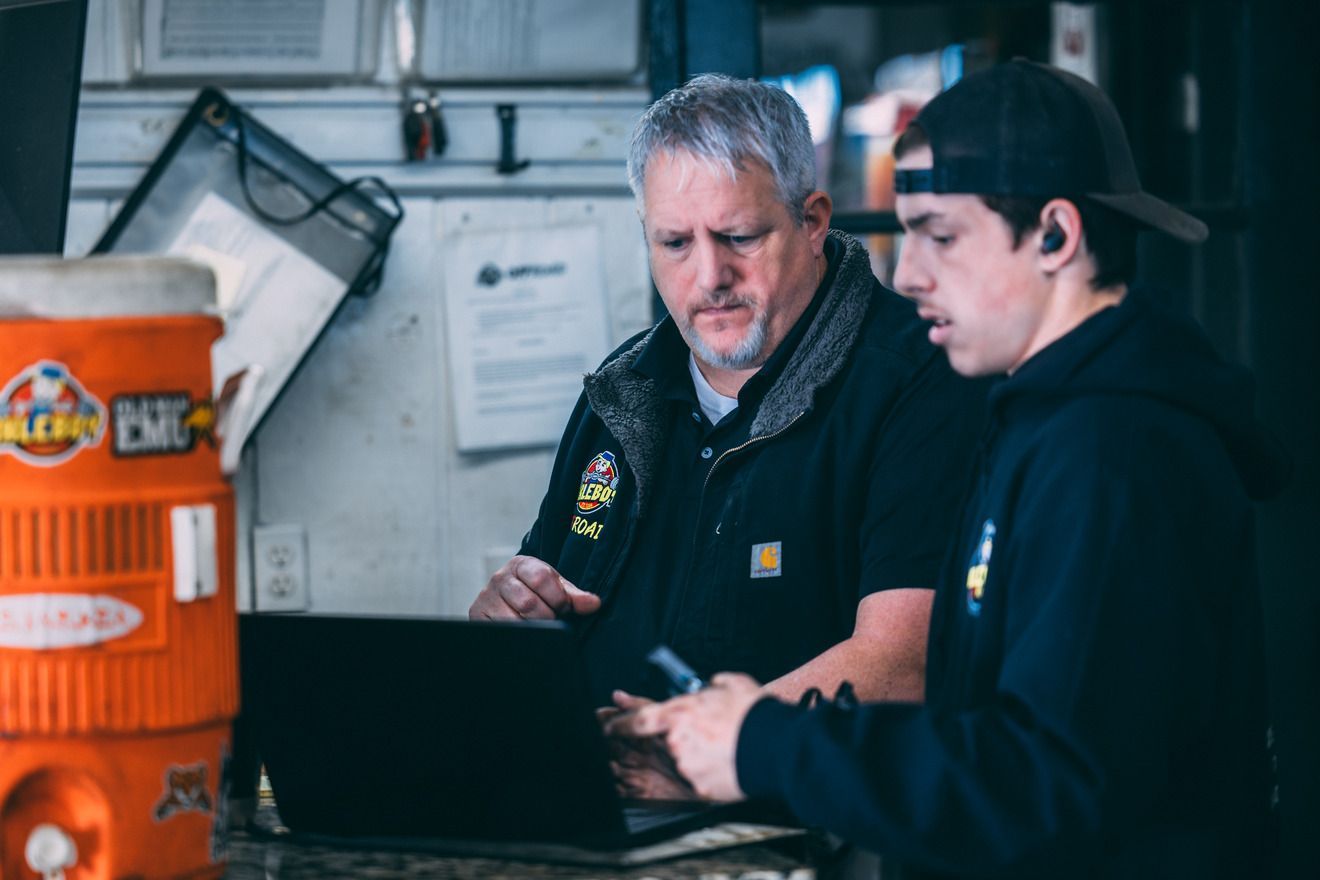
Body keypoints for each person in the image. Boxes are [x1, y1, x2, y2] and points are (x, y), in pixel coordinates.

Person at [616, 60, 1287, 876]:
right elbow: (986, 730)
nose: (907, 273)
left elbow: (1047, 787)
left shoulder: (1113, 452)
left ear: (1054, 235)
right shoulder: (1033, 417)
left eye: (940, 235)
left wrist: (767, 743)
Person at [470, 75, 983, 729]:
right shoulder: (622, 388)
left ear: (812, 222)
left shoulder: (918, 382)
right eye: (675, 243)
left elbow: (901, 665)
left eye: (739, 237)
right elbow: (547, 605)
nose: (709, 278)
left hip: (793, 820)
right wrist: (510, 622)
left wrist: (690, 744)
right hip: (601, 800)